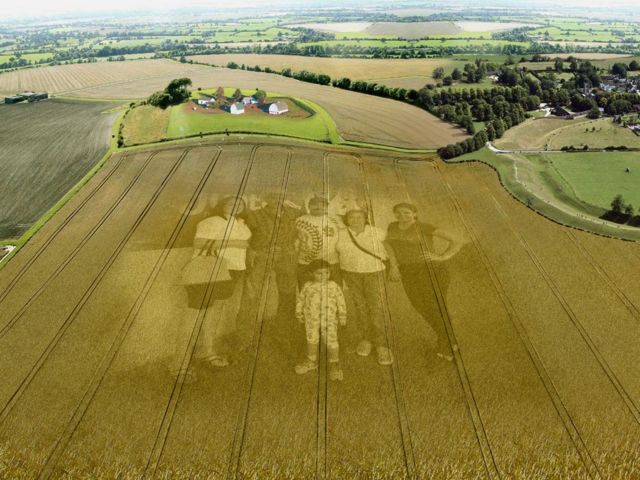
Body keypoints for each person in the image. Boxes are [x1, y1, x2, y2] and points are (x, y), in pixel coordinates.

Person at [385, 202, 461, 362]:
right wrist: (393, 265)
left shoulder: (423, 226)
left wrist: (443, 256)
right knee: (419, 305)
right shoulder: (392, 226)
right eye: (398, 212)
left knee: (435, 307)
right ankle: (448, 339)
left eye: (406, 212)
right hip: (408, 271)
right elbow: (389, 245)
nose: (402, 215)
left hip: (431, 271)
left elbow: (457, 240)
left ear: (414, 213)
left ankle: (447, 345)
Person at [193, 196, 252, 368]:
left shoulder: (240, 223)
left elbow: (244, 246)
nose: (236, 206)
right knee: (209, 310)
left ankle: (206, 349)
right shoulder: (213, 221)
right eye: (231, 203)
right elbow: (198, 243)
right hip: (217, 268)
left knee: (217, 310)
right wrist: (234, 243)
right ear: (222, 205)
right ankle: (207, 351)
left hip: (235, 269)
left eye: (240, 204)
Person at [335, 209, 397, 366]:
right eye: (351, 217)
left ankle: (382, 345)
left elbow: (389, 249)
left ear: (365, 218)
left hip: (374, 273)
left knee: (376, 307)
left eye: (359, 217)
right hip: (350, 274)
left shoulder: (376, 232)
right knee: (360, 306)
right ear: (346, 219)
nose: (355, 220)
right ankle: (366, 339)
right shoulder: (340, 234)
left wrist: (394, 267)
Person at [295, 259, 347, 381]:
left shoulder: (334, 286)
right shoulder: (308, 286)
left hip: (329, 320)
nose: (323, 276)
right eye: (319, 273)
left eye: (326, 273)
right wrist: (299, 314)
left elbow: (341, 302)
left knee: (332, 340)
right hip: (311, 320)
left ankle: (334, 364)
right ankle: (311, 360)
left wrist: (342, 316)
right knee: (311, 339)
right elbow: (300, 300)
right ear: (312, 273)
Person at [294, 195, 342, 288]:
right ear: (309, 206)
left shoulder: (335, 220)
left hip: (331, 261)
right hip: (306, 262)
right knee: (306, 290)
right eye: (315, 204)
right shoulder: (299, 220)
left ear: (326, 207)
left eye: (322, 205)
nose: (318, 207)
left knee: (335, 290)